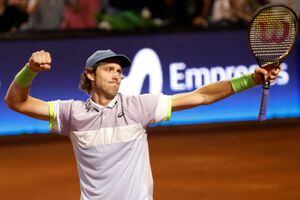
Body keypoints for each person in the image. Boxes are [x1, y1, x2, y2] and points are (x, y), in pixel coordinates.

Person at [5, 49, 281, 200]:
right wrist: (29, 70)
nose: (117, 76)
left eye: (119, 71)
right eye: (109, 69)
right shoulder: (71, 113)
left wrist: (251, 80)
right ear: (90, 74)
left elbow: (200, 96)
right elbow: (17, 103)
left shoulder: (138, 107)